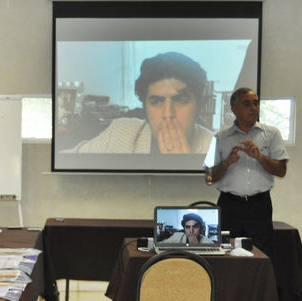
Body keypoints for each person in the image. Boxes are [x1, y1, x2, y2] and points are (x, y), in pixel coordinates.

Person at [66, 52, 213, 155]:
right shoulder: (119, 133)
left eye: (181, 100)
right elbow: (65, 160)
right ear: (145, 107)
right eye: (156, 102)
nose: (168, 114)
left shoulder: (218, 150)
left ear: (198, 106)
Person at [207, 87, 288, 257]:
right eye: (247, 104)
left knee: (262, 255)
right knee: (225, 254)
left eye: (256, 103)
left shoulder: (272, 134)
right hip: (229, 205)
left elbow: (281, 170)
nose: (253, 108)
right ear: (234, 109)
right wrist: (227, 162)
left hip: (259, 205)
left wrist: (259, 156)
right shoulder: (219, 137)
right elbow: (209, 177)